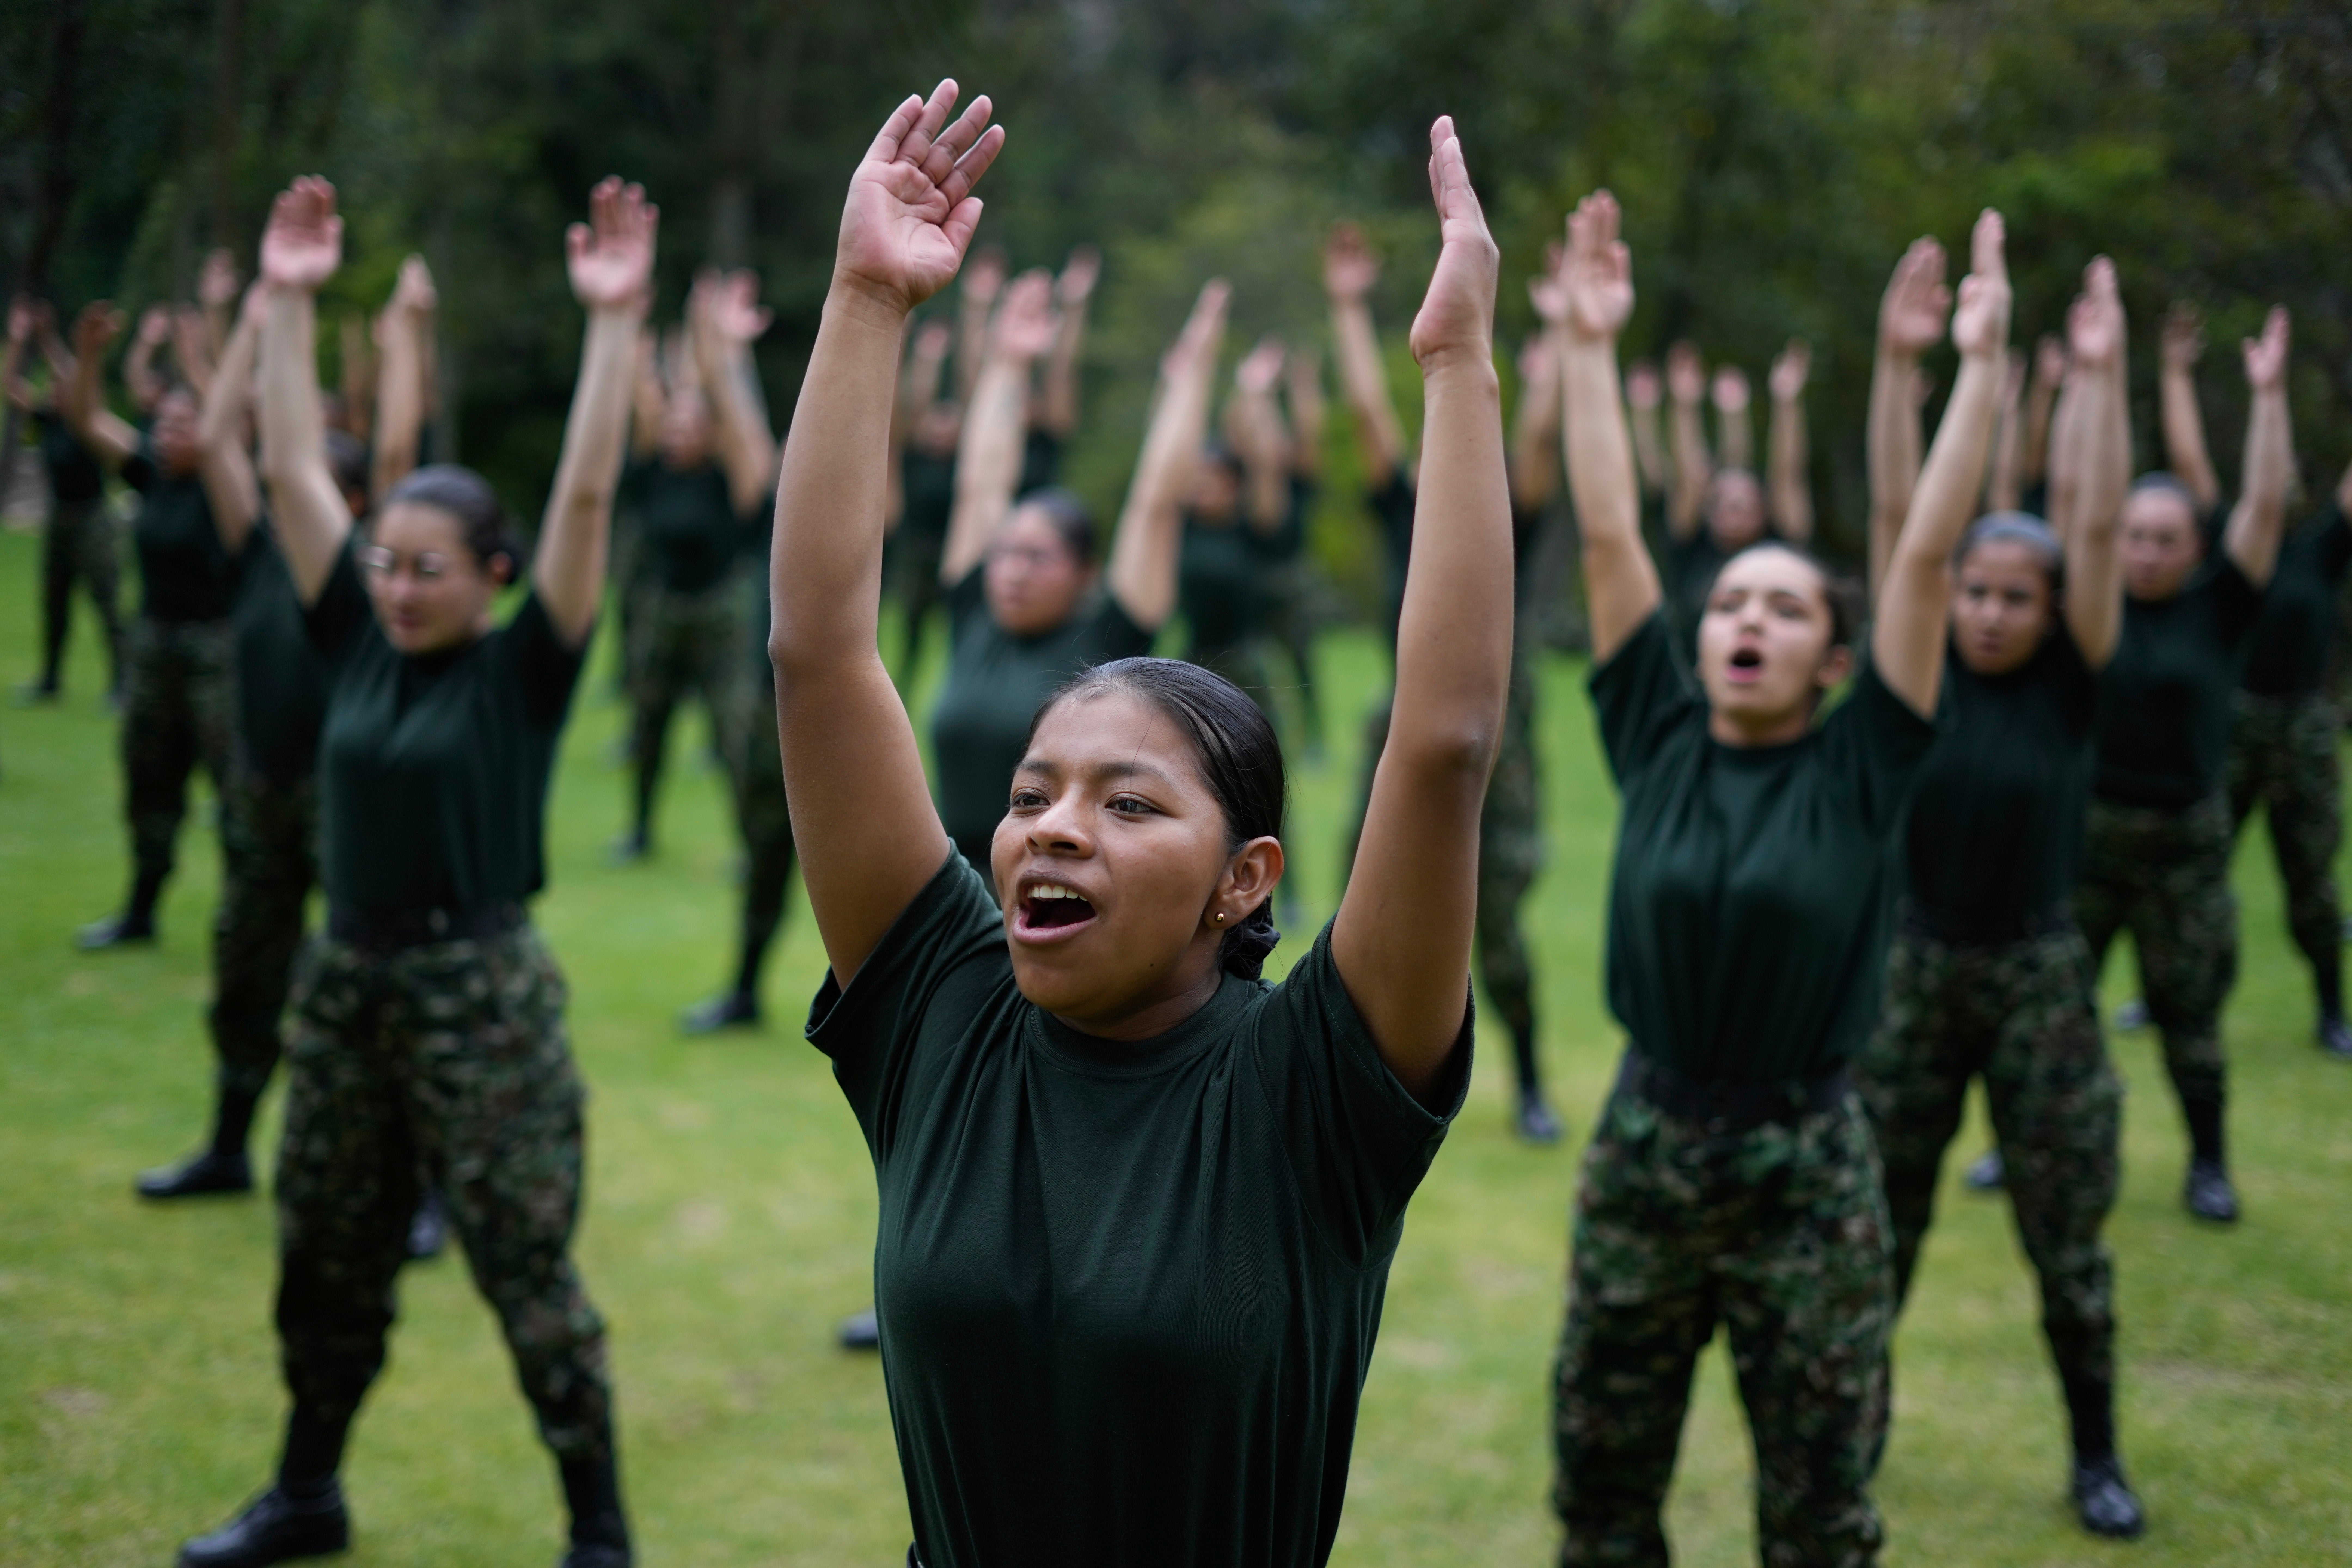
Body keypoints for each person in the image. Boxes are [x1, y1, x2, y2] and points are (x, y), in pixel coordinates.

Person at [772, 85, 1510, 1563]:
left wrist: (1455, 369)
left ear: (1245, 881)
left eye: (1127, 803)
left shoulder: (1319, 1093)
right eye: (1033, 795)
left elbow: (1438, 750)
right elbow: (817, 657)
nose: (1052, 829)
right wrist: (863, 299)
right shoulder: (943, 1020)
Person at [172, 174, 651, 1568]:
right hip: (346, 984)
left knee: (523, 1272)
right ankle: (306, 1493)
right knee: (325, 1252)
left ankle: (599, 1533)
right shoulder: (356, 642)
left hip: (478, 993)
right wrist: (289, 302)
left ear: (494, 576)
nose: (396, 585)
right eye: (386, 562)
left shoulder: (527, 670)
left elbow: (589, 487)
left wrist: (615, 327)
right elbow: (285, 466)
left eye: (429, 568)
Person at [1548, 194, 2008, 1567]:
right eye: (1733, 603)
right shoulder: (1658, 733)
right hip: (1646, 1148)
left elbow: (1922, 554)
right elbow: (1613, 532)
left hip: (1808, 1169)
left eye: (1787, 608)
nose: (1747, 621)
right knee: (1604, 1493)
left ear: (1834, 659)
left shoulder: (1868, 761)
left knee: (1820, 1513)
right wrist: (1584, 346)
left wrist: (1975, 371)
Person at [1852, 250, 2145, 1537]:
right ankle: (1852, 1433)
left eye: (2013, 598)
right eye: (1973, 589)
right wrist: (1900, 367)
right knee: (1881, 1224)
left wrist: (2100, 373)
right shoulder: (1917, 670)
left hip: (2036, 973)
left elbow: (2088, 519)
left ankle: (2095, 1452)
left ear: (2052, 609)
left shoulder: (2070, 684)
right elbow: (1891, 520)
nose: (1985, 611)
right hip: (1911, 968)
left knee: (2065, 1238)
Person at [2074, 307, 2293, 1225]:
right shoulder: (2088, 608)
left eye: (2167, 538)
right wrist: (2100, 374)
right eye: (2135, 534)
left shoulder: (2221, 607)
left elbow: (2269, 504)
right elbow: (2086, 493)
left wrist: (2271, 395)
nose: (2149, 550)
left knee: (2189, 1016)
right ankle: (2025, 1145)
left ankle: (2209, 1164)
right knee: (2054, 1012)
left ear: (2194, 547)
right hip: (2087, 840)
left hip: (2186, 845)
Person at [926, 264, 1211, 882]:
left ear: (1086, 572)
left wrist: (1189, 384)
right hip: (949, 882)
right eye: (1005, 552)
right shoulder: (974, 612)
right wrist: (1007, 363)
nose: (1012, 571)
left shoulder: (1111, 638)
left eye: (1037, 556)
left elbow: (1155, 503)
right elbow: (981, 484)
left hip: (1050, 884)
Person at [2160, 302, 2352, 1059]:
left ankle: (2333, 1010)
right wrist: (2175, 372)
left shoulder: (2321, 552)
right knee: (2193, 874)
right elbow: (2187, 462)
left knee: (2312, 882)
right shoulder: (2225, 557)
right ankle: (2169, 988)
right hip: (2228, 724)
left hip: (2301, 727)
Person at [60, 300, 249, 950]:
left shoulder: (231, 487)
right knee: (149, 784)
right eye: (162, 424)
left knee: (236, 795)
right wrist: (90, 357)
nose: (167, 434)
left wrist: (199, 361)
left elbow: (233, 416)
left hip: (220, 652)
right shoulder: (152, 475)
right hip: (156, 646)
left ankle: (250, 917)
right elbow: (85, 418)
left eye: (184, 423)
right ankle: (141, 910)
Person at [611, 266, 776, 861]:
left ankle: (746, 845)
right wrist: (628, 323)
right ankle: (639, 830)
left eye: (692, 424)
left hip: (721, 612)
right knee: (648, 727)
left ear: (712, 434)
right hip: (663, 606)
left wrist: (715, 343)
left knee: (734, 737)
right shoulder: (654, 471)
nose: (679, 431)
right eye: (673, 424)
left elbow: (735, 411)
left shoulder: (731, 477)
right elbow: (643, 397)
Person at [677, 267, 795, 1035]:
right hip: (764, 716)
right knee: (766, 857)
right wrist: (720, 354)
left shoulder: (864, 518)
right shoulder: (772, 514)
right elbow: (743, 427)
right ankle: (749, 988)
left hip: (834, 724)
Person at [1655, 335, 1815, 650]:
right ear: (1708, 512)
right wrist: (1684, 405)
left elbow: (1788, 473)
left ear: (1765, 510)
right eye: (1723, 503)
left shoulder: (1782, 546)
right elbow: (1687, 478)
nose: (1733, 509)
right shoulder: (1691, 546)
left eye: (1744, 504)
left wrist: (1787, 403)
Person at [5, 297, 126, 703]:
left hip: (94, 517)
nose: (56, 391)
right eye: (54, 388)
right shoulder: (45, 420)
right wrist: (19, 339)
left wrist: (51, 339)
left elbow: (75, 377)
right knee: (54, 602)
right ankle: (50, 680)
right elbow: (8, 386)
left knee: (106, 603)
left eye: (63, 387)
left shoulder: (87, 425)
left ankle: (122, 683)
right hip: (60, 517)